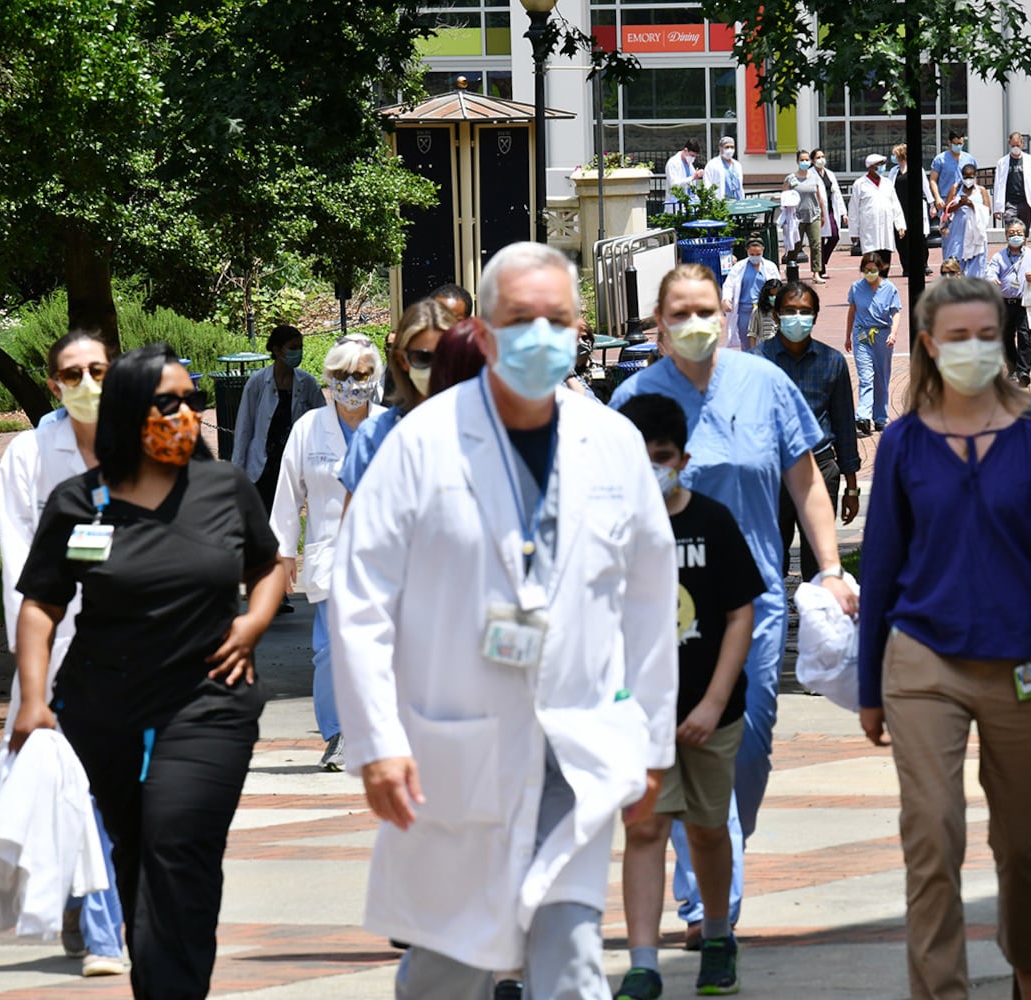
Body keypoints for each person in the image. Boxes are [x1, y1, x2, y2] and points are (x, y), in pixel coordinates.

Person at [330, 242, 677, 999]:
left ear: (582, 328)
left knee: (571, 956)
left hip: (574, 742)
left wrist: (651, 741)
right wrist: (378, 743)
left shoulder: (611, 442)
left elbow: (651, 598)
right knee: (449, 963)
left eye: (557, 319)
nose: (541, 336)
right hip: (455, 745)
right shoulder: (420, 444)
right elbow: (359, 599)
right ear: (483, 334)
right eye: (521, 320)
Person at [10, 344, 284, 998]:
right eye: (169, 403)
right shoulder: (83, 504)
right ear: (132, 409)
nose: (186, 413)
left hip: (209, 704)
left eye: (193, 401)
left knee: (176, 841)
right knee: (135, 855)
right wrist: (32, 700)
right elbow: (42, 605)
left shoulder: (225, 488)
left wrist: (251, 624)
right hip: (103, 710)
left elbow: (268, 567)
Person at [857, 277, 1031, 1000]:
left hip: (1025, 663)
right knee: (931, 835)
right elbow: (880, 567)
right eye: (956, 337)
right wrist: (871, 686)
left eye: (985, 335)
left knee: (1025, 840)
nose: (972, 349)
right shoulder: (903, 442)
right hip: (923, 658)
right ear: (929, 346)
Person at [611, 263, 858, 950]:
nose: (694, 324)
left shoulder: (765, 383)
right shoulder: (634, 397)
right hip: (663, 612)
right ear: (658, 322)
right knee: (684, 752)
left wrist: (832, 567)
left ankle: (717, 854)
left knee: (745, 754)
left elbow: (804, 477)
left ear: (726, 314)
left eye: (705, 310)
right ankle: (708, 908)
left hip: (752, 604)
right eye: (679, 312)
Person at [613, 392, 765, 1000]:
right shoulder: (614, 530)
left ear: (684, 457)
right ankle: (643, 963)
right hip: (639, 714)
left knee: (706, 828)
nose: (652, 467)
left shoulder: (711, 522)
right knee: (644, 830)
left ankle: (719, 933)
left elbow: (739, 614)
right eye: (639, 456)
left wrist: (713, 700)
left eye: (663, 456)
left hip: (712, 713)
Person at [0, 329, 126, 978]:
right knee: (82, 789)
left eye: (98, 370)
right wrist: (31, 680)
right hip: (61, 649)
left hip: (136, 648)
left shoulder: (140, 446)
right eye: (72, 374)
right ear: (52, 384)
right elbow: (19, 571)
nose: (87, 384)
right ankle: (105, 931)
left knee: (130, 793)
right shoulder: (27, 455)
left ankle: (83, 899)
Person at [271, 335, 386, 773]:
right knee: (329, 651)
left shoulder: (388, 426)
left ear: (374, 377)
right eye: (342, 375)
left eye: (361, 375)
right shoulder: (309, 429)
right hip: (328, 556)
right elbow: (287, 497)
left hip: (383, 559)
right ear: (328, 378)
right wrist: (285, 555)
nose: (352, 384)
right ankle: (337, 733)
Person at [757, 282, 862, 580]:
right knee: (769, 565)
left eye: (805, 312)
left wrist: (852, 488)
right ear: (776, 315)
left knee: (819, 565)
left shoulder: (832, 362)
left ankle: (816, 623)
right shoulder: (756, 362)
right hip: (771, 474)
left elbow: (844, 425)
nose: (797, 318)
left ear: (815, 316)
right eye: (790, 311)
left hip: (821, 469)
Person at [339, 298, 454, 499]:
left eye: (445, 356)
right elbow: (353, 524)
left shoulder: (482, 429)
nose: (435, 369)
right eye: (423, 358)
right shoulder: (373, 437)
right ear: (402, 360)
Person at [229, 324, 325, 515]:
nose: (298, 352)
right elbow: (244, 429)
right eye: (293, 347)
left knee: (287, 518)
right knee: (261, 519)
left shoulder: (307, 384)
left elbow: (323, 422)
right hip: (263, 466)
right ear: (277, 350)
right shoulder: (257, 382)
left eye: (300, 347)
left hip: (292, 464)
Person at [845, 251, 904, 437]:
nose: (870, 273)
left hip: (882, 335)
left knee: (881, 376)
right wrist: (848, 336)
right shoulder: (856, 288)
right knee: (865, 376)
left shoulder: (889, 289)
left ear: (880, 269)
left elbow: (896, 312)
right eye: (866, 270)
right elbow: (852, 312)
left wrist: (893, 333)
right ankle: (863, 415)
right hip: (862, 334)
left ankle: (880, 417)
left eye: (873, 270)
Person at [986, 219, 1031, 388]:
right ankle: (1012, 368)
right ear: (1006, 236)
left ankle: (1023, 372)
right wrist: (993, 278)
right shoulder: (999, 256)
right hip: (1004, 303)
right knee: (1006, 337)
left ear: (1025, 236)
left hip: (1025, 303)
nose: (1016, 236)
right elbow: (990, 271)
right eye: (1012, 233)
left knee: (1024, 336)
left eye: (1019, 233)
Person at [849, 153, 907, 276]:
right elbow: (853, 209)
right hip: (869, 229)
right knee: (871, 261)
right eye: (878, 165)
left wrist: (900, 224)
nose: (881, 167)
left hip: (886, 229)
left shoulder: (887, 183)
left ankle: (883, 283)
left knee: (885, 260)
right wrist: (854, 232)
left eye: (882, 164)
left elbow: (895, 205)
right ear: (870, 167)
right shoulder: (860, 184)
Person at [719, 236, 780, 351]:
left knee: (767, 338)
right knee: (747, 341)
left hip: (764, 309)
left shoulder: (770, 267)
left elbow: (777, 286)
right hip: (745, 311)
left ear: (763, 251)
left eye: (758, 254)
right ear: (747, 251)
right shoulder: (739, 267)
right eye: (752, 254)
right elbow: (729, 285)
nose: (755, 257)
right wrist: (726, 299)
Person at [991, 132, 1031, 232]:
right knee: (1011, 231)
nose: (1015, 147)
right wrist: (997, 208)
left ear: (1022, 144)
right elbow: (998, 185)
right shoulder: (1002, 163)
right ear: (1009, 144)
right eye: (1013, 145)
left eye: (1017, 145)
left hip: (1026, 202)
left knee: (1024, 232)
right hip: (1010, 203)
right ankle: (1013, 247)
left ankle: (1023, 247)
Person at [888, 143, 932, 276]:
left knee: (920, 238)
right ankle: (906, 266)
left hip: (914, 208)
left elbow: (926, 188)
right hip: (899, 208)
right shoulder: (894, 172)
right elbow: (889, 189)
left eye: (896, 155)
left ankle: (923, 264)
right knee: (901, 238)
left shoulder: (917, 169)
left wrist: (932, 204)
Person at [941, 161, 992, 278]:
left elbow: (987, 210)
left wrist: (972, 205)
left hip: (976, 232)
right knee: (954, 262)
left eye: (971, 177)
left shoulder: (981, 190)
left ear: (975, 176)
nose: (968, 179)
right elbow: (947, 209)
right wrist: (959, 204)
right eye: (965, 177)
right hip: (958, 232)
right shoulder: (955, 188)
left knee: (977, 263)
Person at [783, 152, 825, 282]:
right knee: (796, 245)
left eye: (807, 160)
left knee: (816, 245)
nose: (805, 162)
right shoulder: (791, 178)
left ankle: (816, 273)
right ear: (797, 161)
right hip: (796, 217)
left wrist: (822, 214)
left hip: (813, 215)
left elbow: (819, 197)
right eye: (802, 160)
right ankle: (791, 267)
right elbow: (785, 196)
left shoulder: (814, 178)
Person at [811, 147, 848, 281]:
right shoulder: (810, 174)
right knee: (819, 240)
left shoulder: (830, 174)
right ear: (812, 160)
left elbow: (837, 193)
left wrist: (844, 213)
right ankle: (820, 269)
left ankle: (822, 261)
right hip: (817, 211)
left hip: (831, 209)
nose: (821, 160)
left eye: (822, 157)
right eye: (818, 157)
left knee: (834, 236)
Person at [930, 129, 977, 220]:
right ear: (949, 142)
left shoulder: (969, 159)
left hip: (965, 200)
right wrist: (937, 198)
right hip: (946, 200)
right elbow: (933, 180)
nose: (959, 146)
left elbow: (974, 179)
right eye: (956, 144)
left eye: (961, 144)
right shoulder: (940, 159)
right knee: (947, 230)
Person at [664, 138, 705, 209]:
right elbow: (674, 184)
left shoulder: (689, 164)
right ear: (686, 150)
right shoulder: (673, 163)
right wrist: (693, 177)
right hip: (676, 205)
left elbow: (692, 184)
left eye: (695, 156)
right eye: (692, 155)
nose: (693, 158)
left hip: (690, 203)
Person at [703, 135, 744, 201]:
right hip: (720, 203)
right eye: (727, 147)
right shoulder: (712, 164)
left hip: (737, 202)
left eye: (732, 147)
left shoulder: (737, 165)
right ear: (720, 148)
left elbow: (739, 186)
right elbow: (707, 185)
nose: (730, 150)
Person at [747, 277, 784, 348]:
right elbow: (752, 334)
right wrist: (754, 352)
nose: (774, 298)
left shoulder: (786, 311)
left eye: (777, 295)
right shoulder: (758, 311)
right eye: (771, 295)